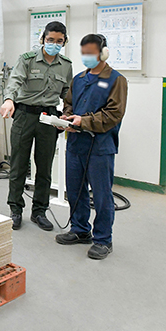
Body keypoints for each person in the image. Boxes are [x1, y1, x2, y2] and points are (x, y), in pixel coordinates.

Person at [56, 34, 128, 260]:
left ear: (103, 53)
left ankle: (103, 239)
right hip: (76, 144)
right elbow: (69, 104)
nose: (87, 57)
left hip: (100, 146)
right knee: (75, 190)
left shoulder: (116, 80)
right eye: (84, 52)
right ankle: (80, 230)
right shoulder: (78, 79)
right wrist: (65, 119)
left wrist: (83, 121)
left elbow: (114, 114)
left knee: (101, 195)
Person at [0, 21, 72, 231]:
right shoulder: (27, 60)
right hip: (24, 115)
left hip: (48, 118)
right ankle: (15, 209)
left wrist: (68, 114)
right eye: (50, 40)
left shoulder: (66, 65)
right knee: (19, 165)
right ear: (43, 39)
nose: (54, 44)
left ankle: (39, 211)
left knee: (44, 167)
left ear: (64, 42)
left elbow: (67, 93)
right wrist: (9, 100)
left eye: (59, 41)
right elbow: (15, 81)